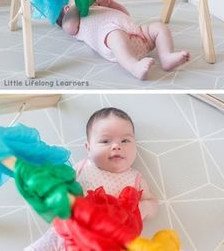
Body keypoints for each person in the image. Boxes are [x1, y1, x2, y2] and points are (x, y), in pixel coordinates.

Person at [24, 107, 158, 251]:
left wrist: (143, 209)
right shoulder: (82, 167)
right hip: (69, 231)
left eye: (125, 140)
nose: (116, 146)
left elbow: (152, 202)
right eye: (105, 141)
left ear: (135, 146)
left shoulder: (135, 178)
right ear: (88, 148)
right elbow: (61, 185)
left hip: (108, 241)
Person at [56, 0, 190, 80]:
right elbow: (67, 24)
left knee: (159, 27)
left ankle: (166, 56)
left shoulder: (97, 7)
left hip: (139, 35)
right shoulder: (75, 25)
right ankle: (133, 66)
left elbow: (125, 14)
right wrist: (76, 4)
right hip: (113, 42)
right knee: (116, 35)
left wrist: (111, 3)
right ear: (68, 9)